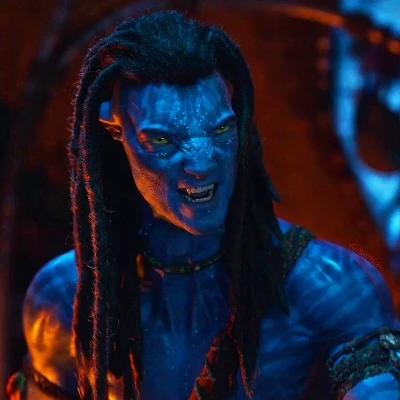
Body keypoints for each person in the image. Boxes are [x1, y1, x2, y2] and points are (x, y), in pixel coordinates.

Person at [6, 10, 400, 400]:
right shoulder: (63, 299)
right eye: (162, 140)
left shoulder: (332, 287)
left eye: (220, 130)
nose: (202, 163)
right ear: (114, 131)